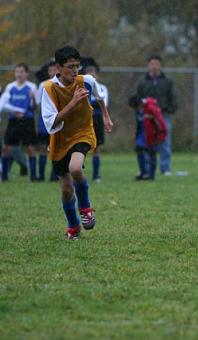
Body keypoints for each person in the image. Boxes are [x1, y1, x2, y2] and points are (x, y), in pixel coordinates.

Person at [40, 45, 113, 240]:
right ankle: (73, 226)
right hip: (60, 139)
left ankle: (86, 207)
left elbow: (99, 97)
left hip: (83, 132)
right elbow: (52, 122)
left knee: (75, 168)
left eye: (77, 66)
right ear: (58, 67)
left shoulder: (86, 81)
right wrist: (72, 103)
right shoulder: (48, 88)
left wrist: (105, 117)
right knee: (66, 190)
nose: (75, 71)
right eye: (70, 67)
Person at [136, 55, 178, 176]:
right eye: (152, 63)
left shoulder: (167, 81)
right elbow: (138, 98)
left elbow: (174, 98)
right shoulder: (142, 82)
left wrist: (169, 110)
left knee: (165, 141)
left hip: (163, 116)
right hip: (147, 118)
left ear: (160, 65)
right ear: (148, 65)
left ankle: (165, 168)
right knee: (147, 141)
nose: (154, 66)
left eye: (156, 63)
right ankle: (148, 168)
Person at [0, 63, 38, 181]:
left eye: (22, 72)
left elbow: (34, 107)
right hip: (13, 121)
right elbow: (4, 104)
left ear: (26, 73)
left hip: (27, 121)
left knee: (30, 148)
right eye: (17, 72)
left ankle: (32, 176)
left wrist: (32, 98)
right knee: (6, 147)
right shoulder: (10, 87)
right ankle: (4, 176)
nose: (19, 74)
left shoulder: (32, 87)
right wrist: (15, 111)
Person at [81, 57, 109, 183]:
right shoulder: (82, 88)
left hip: (97, 119)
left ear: (97, 75)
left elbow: (104, 103)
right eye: (89, 74)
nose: (92, 76)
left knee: (96, 147)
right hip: (84, 119)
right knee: (82, 147)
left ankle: (96, 175)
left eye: (94, 73)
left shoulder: (102, 88)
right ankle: (79, 173)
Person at [128, 95, 167, 180]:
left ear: (140, 103)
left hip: (152, 134)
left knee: (151, 153)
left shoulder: (151, 107)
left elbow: (160, 122)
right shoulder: (138, 110)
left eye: (136, 107)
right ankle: (144, 173)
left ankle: (151, 175)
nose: (136, 109)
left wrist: (161, 134)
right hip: (142, 133)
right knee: (138, 148)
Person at [35, 60, 59, 181]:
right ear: (48, 72)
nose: (53, 72)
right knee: (43, 147)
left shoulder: (61, 84)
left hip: (57, 119)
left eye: (55, 70)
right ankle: (41, 175)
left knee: (55, 147)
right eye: (51, 70)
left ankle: (54, 175)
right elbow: (39, 102)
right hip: (44, 120)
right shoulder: (42, 85)